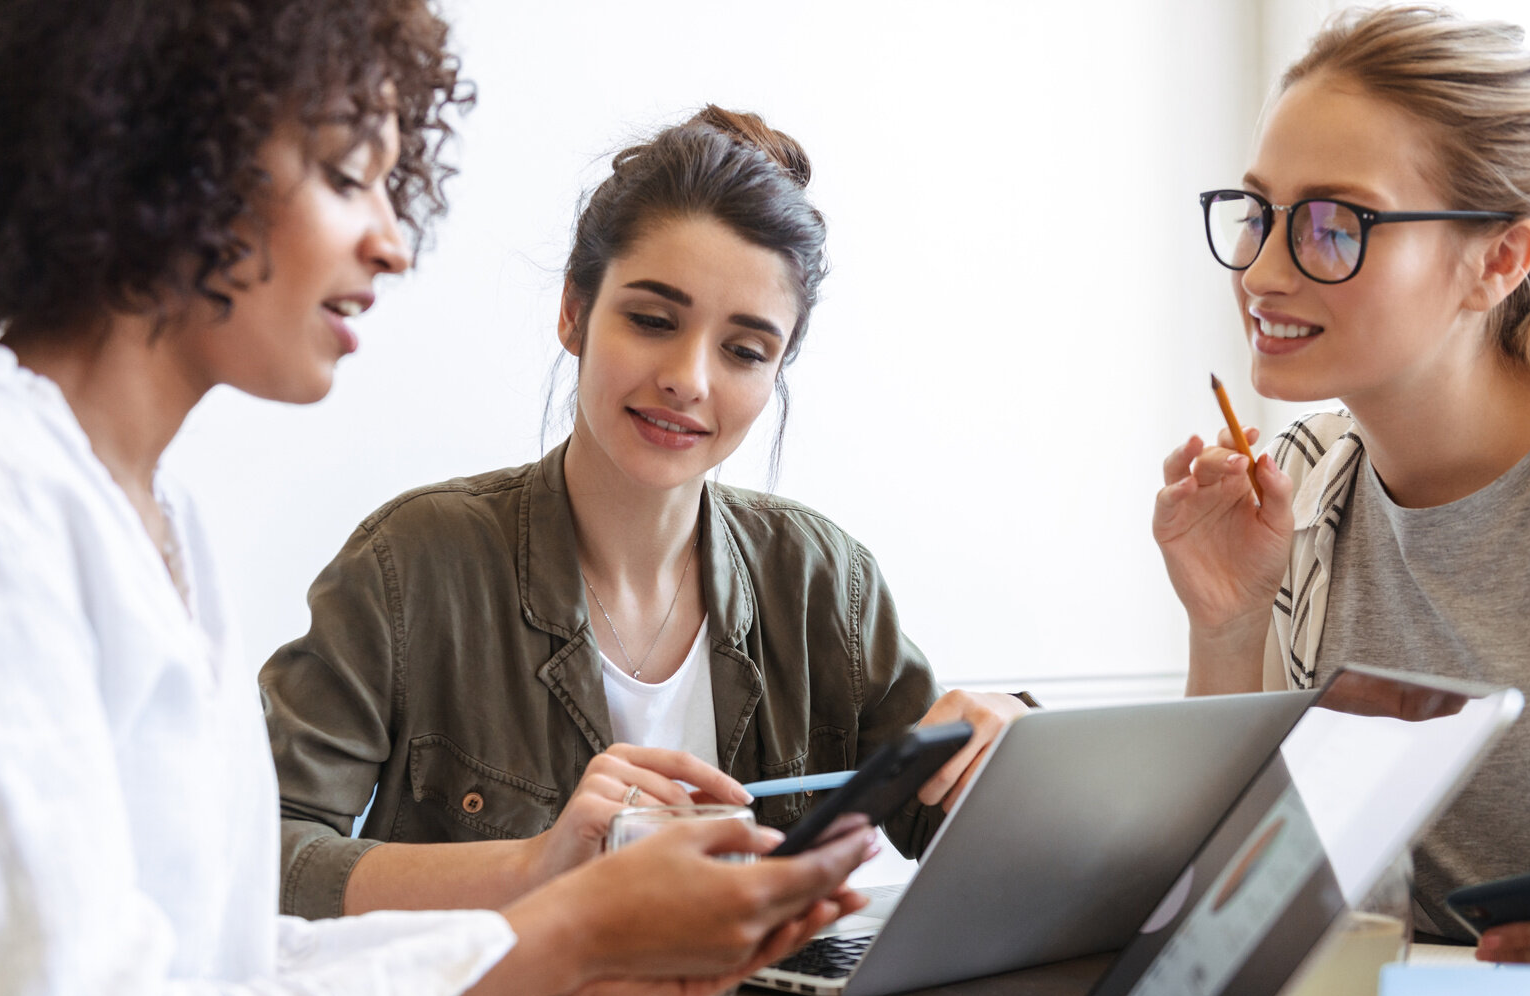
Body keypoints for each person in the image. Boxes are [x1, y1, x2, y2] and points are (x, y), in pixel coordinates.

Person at [0, 3, 875, 996]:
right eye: (348, 176)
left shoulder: (155, 524)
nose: (393, 243)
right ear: (166, 155)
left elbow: (228, 970)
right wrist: (563, 932)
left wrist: (557, 954)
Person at [262, 106, 1027, 919]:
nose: (688, 379)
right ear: (573, 311)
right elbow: (258, 856)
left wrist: (1014, 746)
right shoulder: (410, 563)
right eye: (653, 320)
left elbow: (978, 841)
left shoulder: (823, 583)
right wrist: (532, 866)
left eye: (744, 350)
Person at [1151, 4, 1530, 960]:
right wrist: (1226, 628)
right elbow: (1219, 912)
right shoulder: (1297, 485)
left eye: (1332, 225)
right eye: (1257, 215)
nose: (1262, 271)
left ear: (1498, 260)